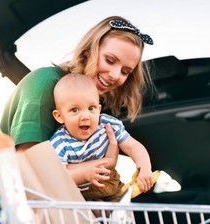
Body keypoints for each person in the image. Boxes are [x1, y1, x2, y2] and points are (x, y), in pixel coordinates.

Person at [0, 16, 154, 224]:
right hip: (10, 223)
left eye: (125, 71)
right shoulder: (45, 83)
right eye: (110, 60)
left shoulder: (93, 108)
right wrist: (92, 168)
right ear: (89, 50)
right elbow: (28, 172)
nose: (114, 75)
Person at [50, 73, 154, 202]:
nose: (85, 116)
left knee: (124, 215)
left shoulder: (106, 125)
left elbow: (133, 147)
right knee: (95, 214)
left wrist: (145, 167)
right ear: (59, 116)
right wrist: (84, 174)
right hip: (81, 196)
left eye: (91, 108)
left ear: (99, 109)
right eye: (75, 110)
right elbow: (58, 176)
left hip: (112, 186)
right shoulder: (60, 142)